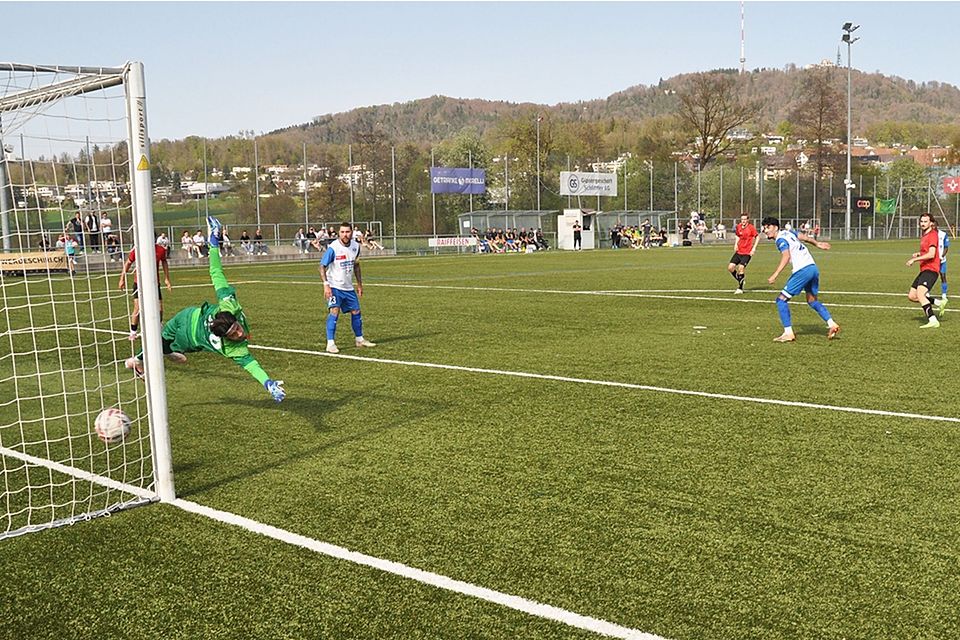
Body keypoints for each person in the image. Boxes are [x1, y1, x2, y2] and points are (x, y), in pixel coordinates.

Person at [126, 216, 286, 403]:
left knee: (162, 340)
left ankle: (149, 356)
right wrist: (267, 382)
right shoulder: (231, 348)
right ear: (225, 338)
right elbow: (251, 364)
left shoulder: (228, 304)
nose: (239, 333)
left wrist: (214, 242)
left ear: (233, 318)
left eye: (236, 329)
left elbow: (216, 272)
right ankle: (144, 358)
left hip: (188, 314)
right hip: (190, 336)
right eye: (233, 334)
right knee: (164, 346)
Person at [762, 216, 840, 342]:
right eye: (764, 228)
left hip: (802, 270)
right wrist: (817, 243)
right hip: (812, 268)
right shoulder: (788, 232)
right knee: (812, 300)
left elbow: (786, 256)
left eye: (768, 227)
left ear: (776, 228)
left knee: (781, 300)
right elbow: (803, 237)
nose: (765, 230)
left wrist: (775, 274)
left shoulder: (780, 239)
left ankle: (788, 333)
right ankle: (832, 324)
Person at [314, 221, 376, 354]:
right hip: (334, 286)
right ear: (339, 233)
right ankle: (330, 343)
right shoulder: (333, 248)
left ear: (352, 232)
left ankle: (359, 339)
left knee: (356, 312)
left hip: (348, 287)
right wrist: (326, 285)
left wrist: (359, 284)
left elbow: (357, 266)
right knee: (334, 311)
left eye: (347, 232)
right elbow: (321, 266)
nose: (345, 234)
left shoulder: (355, 246)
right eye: (342, 232)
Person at [118, 239, 172, 341]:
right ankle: (133, 332)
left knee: (159, 309)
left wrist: (167, 279)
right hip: (139, 283)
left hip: (154, 284)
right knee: (137, 308)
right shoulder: (138, 250)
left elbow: (164, 262)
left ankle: (158, 327)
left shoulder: (160, 250)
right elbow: (128, 263)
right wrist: (122, 279)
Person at [906, 213, 941, 329]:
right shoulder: (925, 235)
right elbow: (927, 252)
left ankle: (933, 320)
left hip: (931, 270)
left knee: (920, 294)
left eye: (925, 221)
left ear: (931, 223)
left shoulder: (932, 235)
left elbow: (931, 254)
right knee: (912, 296)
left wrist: (915, 259)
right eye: (921, 221)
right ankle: (937, 302)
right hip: (924, 270)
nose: (922, 223)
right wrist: (919, 253)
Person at [728, 213, 760, 294]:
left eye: (745, 219)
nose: (743, 221)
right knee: (730, 268)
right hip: (739, 251)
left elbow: (757, 237)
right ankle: (740, 279)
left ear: (748, 220)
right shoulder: (738, 227)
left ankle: (740, 288)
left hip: (747, 252)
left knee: (741, 268)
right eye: (742, 219)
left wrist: (754, 248)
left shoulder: (751, 228)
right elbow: (738, 236)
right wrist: (735, 244)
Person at [933, 223, 951, 311]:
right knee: (931, 276)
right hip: (932, 261)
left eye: (934, 225)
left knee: (943, 276)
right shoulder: (929, 235)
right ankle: (927, 293)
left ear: (937, 225)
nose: (933, 227)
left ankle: (944, 295)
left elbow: (946, 247)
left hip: (941, 260)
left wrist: (941, 256)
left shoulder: (943, 234)